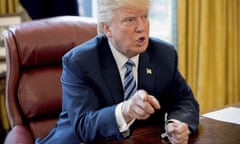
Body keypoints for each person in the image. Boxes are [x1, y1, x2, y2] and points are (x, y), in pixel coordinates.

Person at [35, 0, 199, 143]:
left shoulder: (163, 54)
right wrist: (126, 110)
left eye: (144, 17)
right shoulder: (80, 62)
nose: (141, 27)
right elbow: (84, 125)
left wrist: (177, 124)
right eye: (130, 20)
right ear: (107, 29)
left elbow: (185, 100)